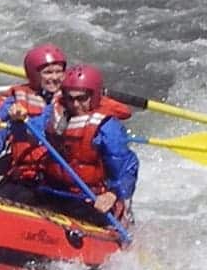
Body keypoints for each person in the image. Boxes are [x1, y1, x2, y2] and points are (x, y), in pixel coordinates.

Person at [31, 64, 138, 227]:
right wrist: (15, 118)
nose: (75, 104)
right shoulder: (54, 114)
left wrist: (113, 194)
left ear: (93, 96)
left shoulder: (107, 128)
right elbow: (33, 127)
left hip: (89, 197)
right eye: (70, 98)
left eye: (81, 98)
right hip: (54, 191)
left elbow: (127, 166)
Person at [0, 44, 68, 205]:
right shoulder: (16, 99)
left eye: (58, 71)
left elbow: (54, 128)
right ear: (34, 75)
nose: (55, 77)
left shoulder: (74, 99)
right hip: (26, 178)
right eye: (48, 72)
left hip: (61, 180)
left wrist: (27, 121)